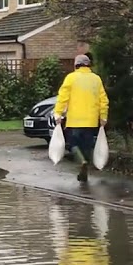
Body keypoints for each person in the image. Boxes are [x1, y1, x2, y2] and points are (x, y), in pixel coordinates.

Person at [53, 54, 109, 183]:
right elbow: (103, 100)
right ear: (89, 65)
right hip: (91, 121)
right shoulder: (96, 79)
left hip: (75, 121)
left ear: (76, 65)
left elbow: (63, 97)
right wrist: (103, 117)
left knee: (73, 144)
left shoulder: (71, 78)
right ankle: (84, 171)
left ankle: (82, 162)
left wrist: (58, 113)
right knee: (86, 146)